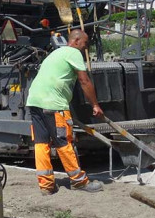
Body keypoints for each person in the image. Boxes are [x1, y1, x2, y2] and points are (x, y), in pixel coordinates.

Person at [25, 29, 104, 194]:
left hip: (34, 101)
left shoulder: (55, 53)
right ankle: (78, 181)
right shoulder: (73, 53)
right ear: (76, 41)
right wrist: (95, 105)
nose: (86, 47)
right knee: (63, 142)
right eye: (85, 43)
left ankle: (46, 186)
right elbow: (84, 80)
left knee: (41, 143)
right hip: (53, 104)